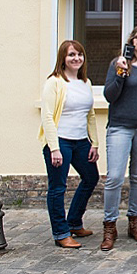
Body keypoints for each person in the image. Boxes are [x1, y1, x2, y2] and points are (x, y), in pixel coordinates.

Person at [101, 23, 137, 251]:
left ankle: (134, 223)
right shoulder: (119, 64)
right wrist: (120, 73)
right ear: (132, 41)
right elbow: (110, 96)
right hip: (120, 127)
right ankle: (109, 226)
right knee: (115, 177)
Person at [39, 39, 99, 248]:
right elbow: (47, 116)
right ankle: (60, 233)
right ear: (63, 59)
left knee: (91, 177)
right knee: (58, 187)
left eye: (79, 54)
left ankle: (74, 222)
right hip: (60, 142)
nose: (76, 58)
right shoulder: (54, 82)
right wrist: (54, 148)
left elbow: (90, 115)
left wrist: (95, 143)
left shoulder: (85, 83)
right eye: (71, 55)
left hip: (81, 141)